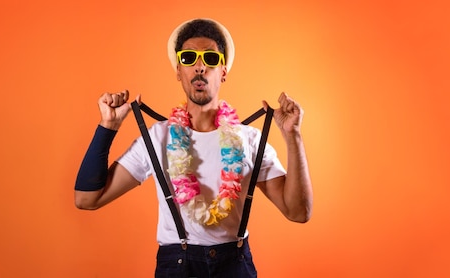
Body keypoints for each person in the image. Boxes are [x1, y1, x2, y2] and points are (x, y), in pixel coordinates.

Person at [74, 18, 313, 277]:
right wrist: (107, 126)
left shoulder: (250, 139)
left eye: (210, 59)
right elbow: (87, 199)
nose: (200, 67)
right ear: (178, 70)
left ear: (223, 71)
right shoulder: (158, 138)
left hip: (235, 265)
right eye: (189, 58)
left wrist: (293, 135)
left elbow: (298, 212)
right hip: (177, 266)